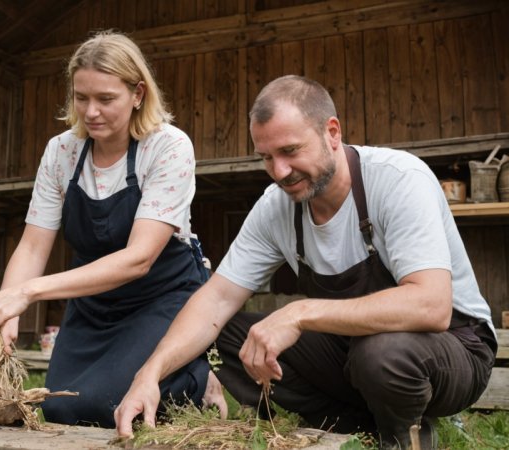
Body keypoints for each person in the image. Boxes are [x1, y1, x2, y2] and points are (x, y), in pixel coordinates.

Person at [114, 75, 496, 449]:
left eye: (290, 151)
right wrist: (150, 372)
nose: (279, 172)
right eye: (266, 157)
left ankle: (403, 436)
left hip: (453, 348)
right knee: (226, 331)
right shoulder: (276, 206)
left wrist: (298, 314)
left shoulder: (398, 180)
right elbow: (214, 299)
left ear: (332, 132)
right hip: (351, 353)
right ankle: (349, 428)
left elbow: (431, 306)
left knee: (382, 353)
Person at [0, 30, 227, 428]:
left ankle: (195, 376)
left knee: (106, 405)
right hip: (94, 304)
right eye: (81, 97)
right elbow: (32, 247)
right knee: (59, 407)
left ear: (138, 94)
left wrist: (26, 293)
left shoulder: (167, 147)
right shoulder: (61, 152)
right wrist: (1, 318)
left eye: (106, 99)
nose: (90, 111)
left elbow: (139, 259)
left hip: (159, 296)